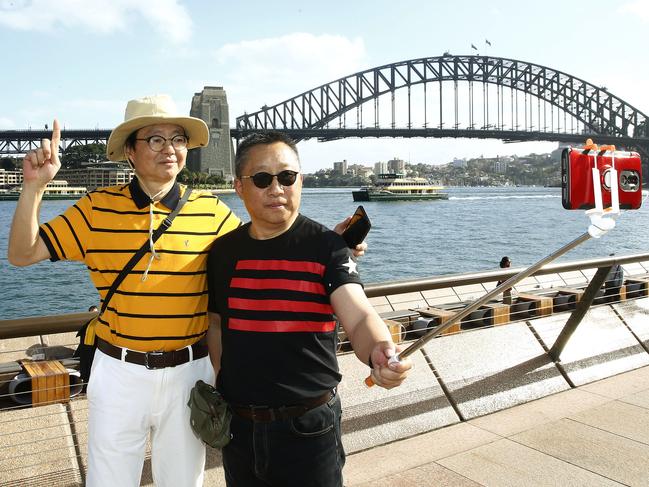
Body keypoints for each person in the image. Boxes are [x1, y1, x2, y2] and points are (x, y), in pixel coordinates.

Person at [7, 94, 365, 487]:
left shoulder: (212, 213)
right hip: (118, 369)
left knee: (182, 482)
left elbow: (267, 244)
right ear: (130, 150)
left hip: (190, 373)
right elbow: (23, 254)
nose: (170, 149)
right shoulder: (95, 208)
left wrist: (329, 245)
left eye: (178, 139)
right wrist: (34, 188)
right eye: (155, 139)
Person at [206, 131, 412, 487]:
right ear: (239, 187)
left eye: (287, 177)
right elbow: (217, 325)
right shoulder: (223, 252)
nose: (276, 188)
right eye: (261, 179)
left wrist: (379, 350)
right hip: (239, 427)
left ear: (300, 180)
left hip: (309, 428)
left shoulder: (326, 246)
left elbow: (358, 313)